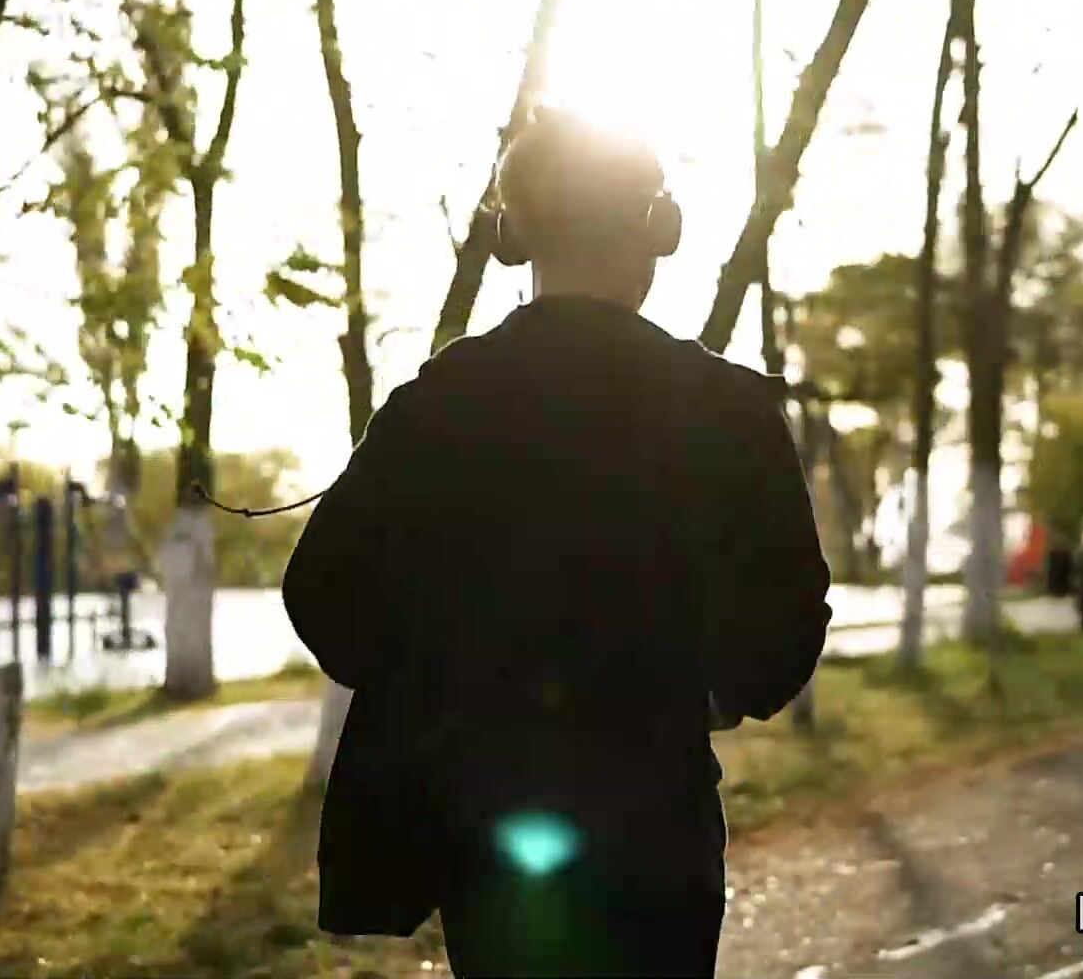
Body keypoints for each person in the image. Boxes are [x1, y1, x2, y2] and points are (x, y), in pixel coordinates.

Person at [281, 106, 832, 977]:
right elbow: (790, 619)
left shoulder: (437, 406)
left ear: (515, 237)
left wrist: (441, 685)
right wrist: (709, 695)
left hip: (488, 838)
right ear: (657, 229)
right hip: (660, 836)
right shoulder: (726, 411)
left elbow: (321, 592)